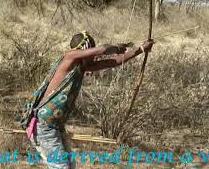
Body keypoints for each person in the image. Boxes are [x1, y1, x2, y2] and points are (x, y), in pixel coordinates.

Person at [26, 31, 154, 168]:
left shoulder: (82, 66)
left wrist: (140, 50)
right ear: (85, 50)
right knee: (60, 166)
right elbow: (102, 50)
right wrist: (116, 48)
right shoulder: (69, 57)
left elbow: (114, 61)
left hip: (54, 125)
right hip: (43, 125)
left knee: (68, 165)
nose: (93, 57)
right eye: (91, 50)